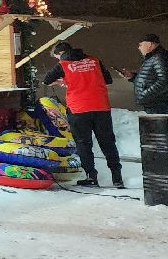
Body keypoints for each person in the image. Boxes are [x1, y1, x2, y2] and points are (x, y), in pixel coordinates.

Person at [44, 41, 123, 187]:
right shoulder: (94, 60)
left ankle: (91, 177)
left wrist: (64, 81)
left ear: (60, 54)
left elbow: (47, 80)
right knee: (108, 143)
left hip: (79, 109)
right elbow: (108, 79)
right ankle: (117, 178)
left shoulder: (63, 64)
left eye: (57, 57)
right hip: (101, 107)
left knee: (83, 144)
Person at [122, 32, 168, 114]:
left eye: (140, 45)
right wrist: (133, 77)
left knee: (156, 126)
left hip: (159, 105)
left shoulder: (160, 57)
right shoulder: (153, 57)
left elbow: (165, 81)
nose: (139, 48)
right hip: (155, 104)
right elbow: (151, 78)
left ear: (149, 44)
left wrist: (144, 95)